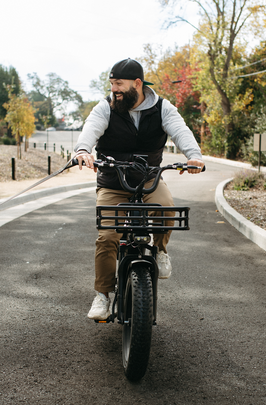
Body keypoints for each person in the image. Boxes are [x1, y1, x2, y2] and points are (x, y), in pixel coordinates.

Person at [74, 58, 204, 320]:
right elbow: (91, 129)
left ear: (137, 83)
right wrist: (83, 150)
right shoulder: (106, 107)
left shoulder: (162, 108)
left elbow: (180, 130)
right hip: (113, 183)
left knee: (167, 209)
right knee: (108, 235)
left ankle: (160, 251)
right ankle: (102, 294)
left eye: (119, 84)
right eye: (111, 84)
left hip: (148, 180)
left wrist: (194, 155)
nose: (114, 89)